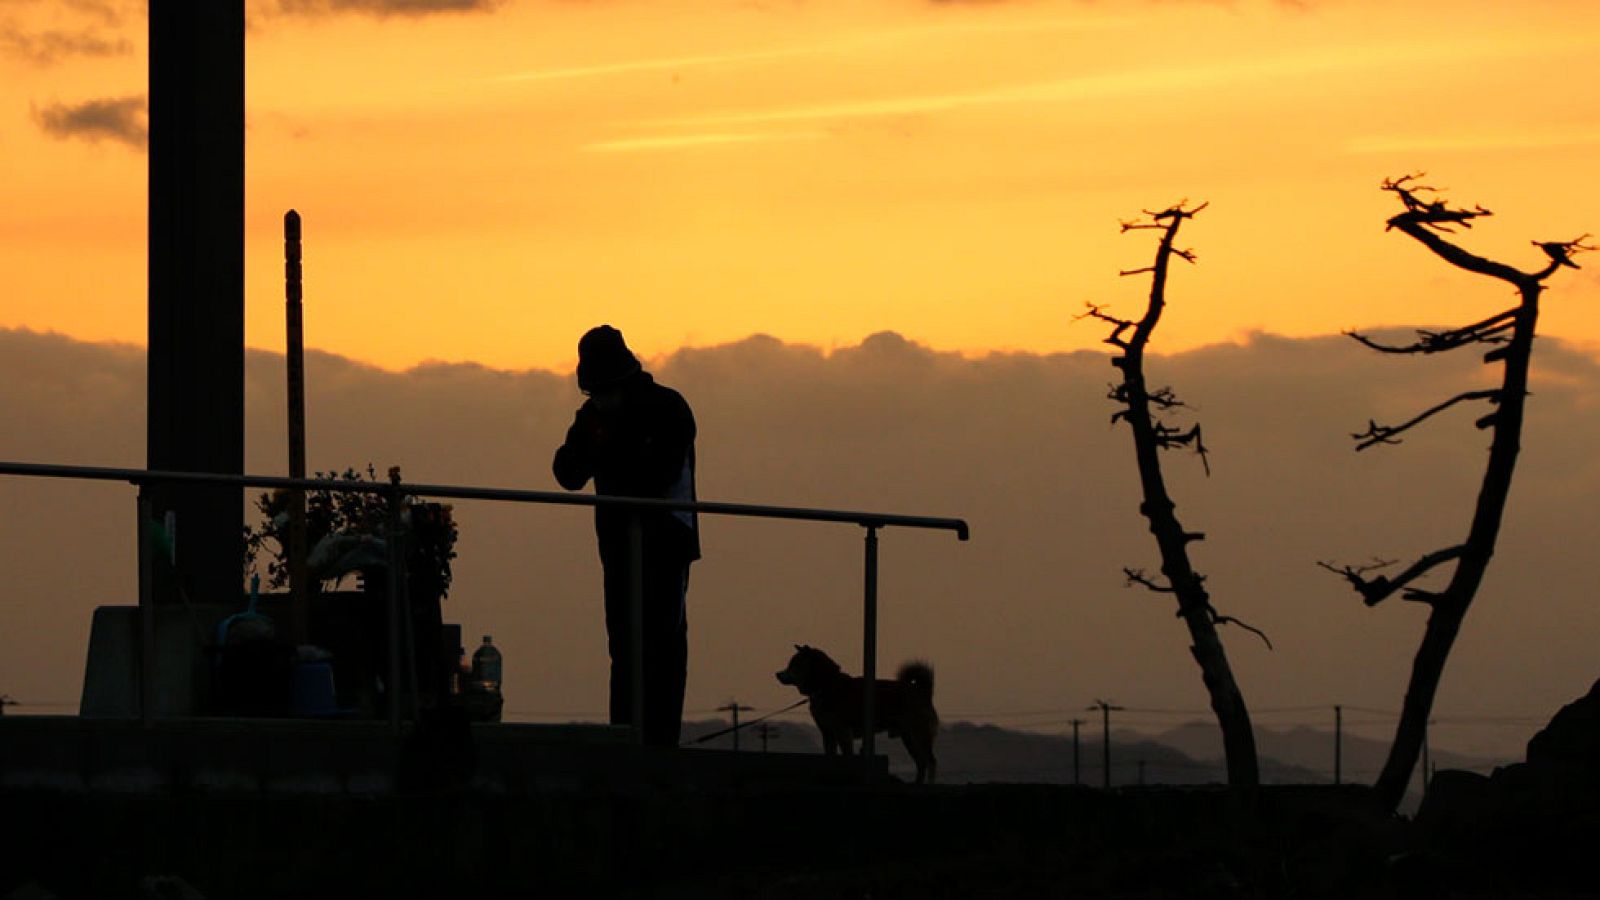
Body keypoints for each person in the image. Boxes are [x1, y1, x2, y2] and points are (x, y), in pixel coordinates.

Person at [553, 325, 699, 747]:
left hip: (667, 542)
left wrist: (606, 447)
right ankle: (627, 738)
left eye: (602, 391)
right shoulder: (594, 416)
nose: (597, 399)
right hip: (618, 545)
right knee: (624, 646)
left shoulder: (668, 407)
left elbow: (659, 476)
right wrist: (596, 441)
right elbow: (567, 473)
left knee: (663, 645)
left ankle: (659, 743)